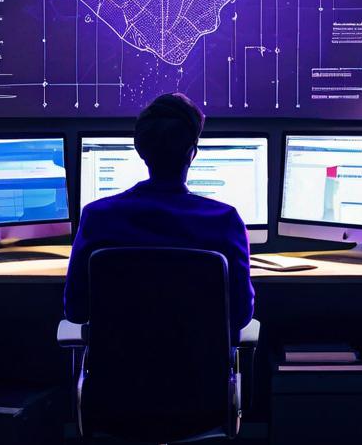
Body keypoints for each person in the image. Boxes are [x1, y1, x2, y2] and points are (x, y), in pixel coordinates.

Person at [64, 92, 254, 333]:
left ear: (139, 149)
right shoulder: (225, 221)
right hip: (199, 370)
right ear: (191, 154)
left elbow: (76, 311)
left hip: (117, 370)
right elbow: (240, 317)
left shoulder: (97, 217)